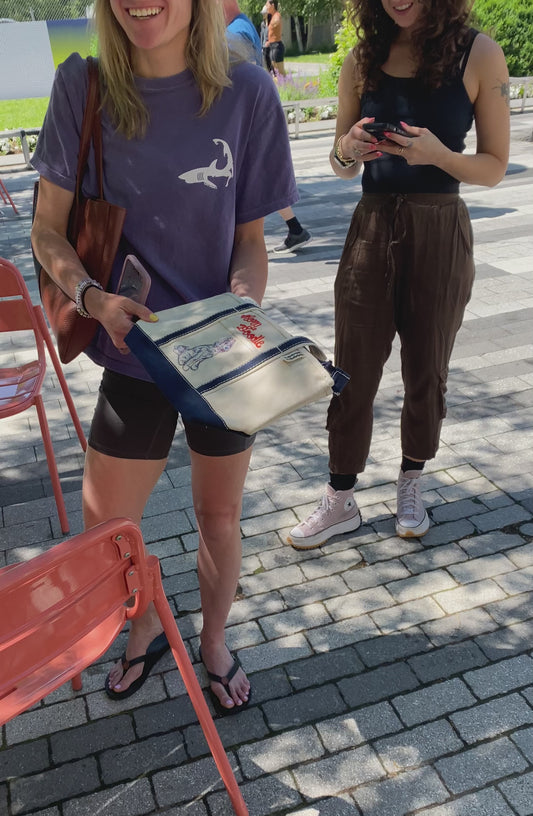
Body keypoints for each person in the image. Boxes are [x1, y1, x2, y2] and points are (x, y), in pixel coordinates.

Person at [31, 0, 298, 713]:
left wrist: (240, 308)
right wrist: (90, 299)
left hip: (220, 361)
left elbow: (249, 241)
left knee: (219, 515)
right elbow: (46, 232)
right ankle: (146, 622)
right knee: (105, 533)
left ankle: (213, 640)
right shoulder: (82, 86)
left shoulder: (248, 94)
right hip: (131, 354)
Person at [288, 0, 509, 549]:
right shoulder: (363, 58)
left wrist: (438, 154)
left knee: (426, 365)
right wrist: (348, 149)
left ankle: (412, 480)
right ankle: (340, 496)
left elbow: (495, 165)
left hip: (440, 225)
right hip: (371, 223)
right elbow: (339, 166)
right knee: (353, 364)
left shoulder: (479, 54)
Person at [222, 0, 310, 253]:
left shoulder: (234, 33)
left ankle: (291, 231)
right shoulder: (240, 26)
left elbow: (238, 86)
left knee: (255, 184)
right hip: (251, 123)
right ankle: (295, 230)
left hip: (246, 125)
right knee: (265, 181)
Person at [264, 0, 285, 77]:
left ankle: (287, 85)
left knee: (280, 72)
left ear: (272, 5)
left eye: (267, 5)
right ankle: (280, 87)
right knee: (275, 72)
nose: (266, 7)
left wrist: (275, 23)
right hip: (272, 46)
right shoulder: (271, 17)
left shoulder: (276, 15)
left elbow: (278, 20)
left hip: (277, 46)